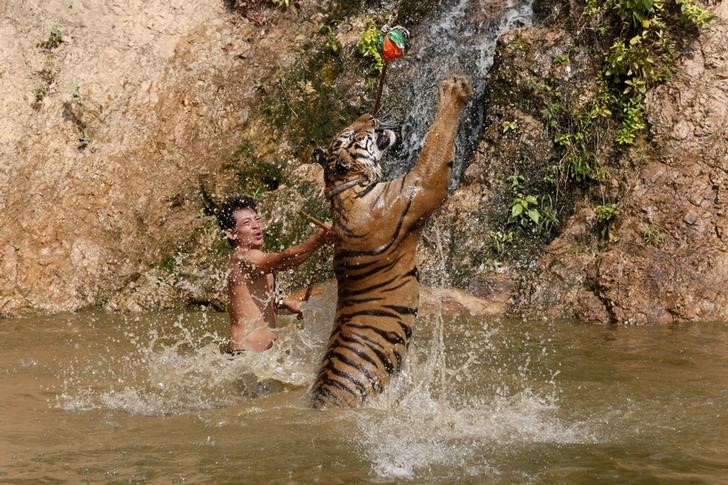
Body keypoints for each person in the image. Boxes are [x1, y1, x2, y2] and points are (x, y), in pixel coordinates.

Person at [217, 195, 334, 353]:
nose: (256, 226)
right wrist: (317, 240)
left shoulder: (256, 260)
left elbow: (257, 299)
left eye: (257, 219)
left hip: (260, 359)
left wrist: (284, 303)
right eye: (247, 223)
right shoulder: (243, 257)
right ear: (231, 234)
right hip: (244, 356)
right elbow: (284, 260)